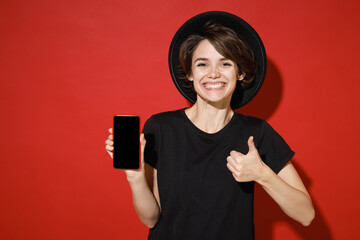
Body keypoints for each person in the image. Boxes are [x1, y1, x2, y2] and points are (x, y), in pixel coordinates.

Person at [105, 11, 315, 240]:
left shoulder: (257, 133)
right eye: (202, 64)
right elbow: (151, 218)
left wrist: (262, 174)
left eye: (225, 63)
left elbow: (306, 214)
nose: (213, 74)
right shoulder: (161, 128)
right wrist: (135, 177)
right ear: (190, 73)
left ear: (240, 73)